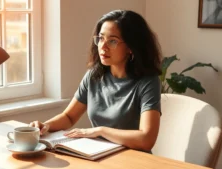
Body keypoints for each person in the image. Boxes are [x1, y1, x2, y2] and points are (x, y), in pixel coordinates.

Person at [29, 9, 162, 152]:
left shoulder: (148, 82)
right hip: (98, 155)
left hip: (134, 160)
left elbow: (146, 139)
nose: (103, 47)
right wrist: (46, 126)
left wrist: (100, 131)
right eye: (101, 38)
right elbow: (68, 117)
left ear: (130, 47)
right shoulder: (94, 76)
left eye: (112, 41)